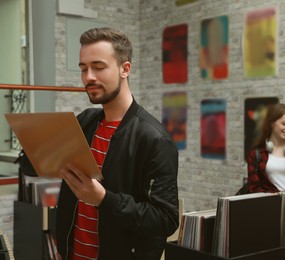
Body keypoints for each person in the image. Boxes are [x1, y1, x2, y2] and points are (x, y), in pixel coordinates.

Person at [21, 27, 179, 259]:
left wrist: (104, 199)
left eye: (98, 67)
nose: (89, 77)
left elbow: (165, 220)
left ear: (125, 69)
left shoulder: (154, 138)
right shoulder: (85, 121)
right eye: (83, 69)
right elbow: (31, 167)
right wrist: (35, 141)